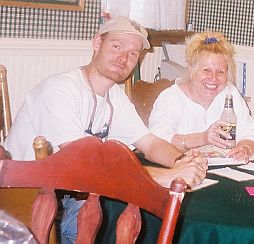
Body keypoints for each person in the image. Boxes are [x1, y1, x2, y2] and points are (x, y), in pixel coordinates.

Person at [4, 16, 207, 243]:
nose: (123, 58)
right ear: (97, 44)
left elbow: (149, 143)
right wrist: (164, 177)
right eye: (117, 46)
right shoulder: (60, 90)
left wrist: (182, 161)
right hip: (24, 206)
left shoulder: (114, 95)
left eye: (133, 54)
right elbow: (80, 165)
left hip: (70, 195)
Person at [148, 31, 254, 162]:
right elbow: (157, 142)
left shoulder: (230, 93)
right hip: (180, 170)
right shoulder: (170, 98)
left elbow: (251, 133)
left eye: (220, 72)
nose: (213, 78)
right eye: (206, 70)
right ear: (191, 69)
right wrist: (203, 138)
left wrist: (244, 148)